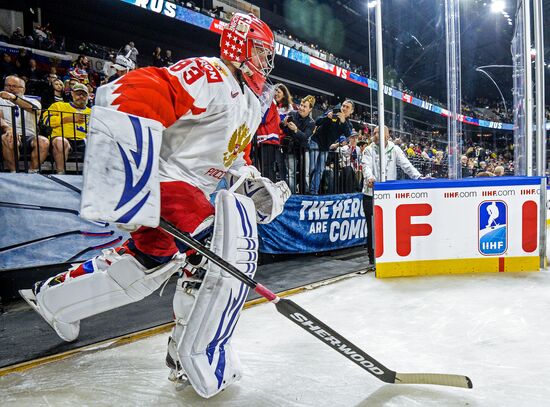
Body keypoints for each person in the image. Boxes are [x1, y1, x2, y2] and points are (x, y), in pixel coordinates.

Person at [20, 13, 288, 399]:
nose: (266, 62)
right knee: (218, 248)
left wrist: (251, 180)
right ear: (239, 45)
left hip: (193, 191)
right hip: (167, 182)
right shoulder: (210, 74)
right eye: (261, 52)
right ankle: (191, 355)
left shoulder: (249, 100)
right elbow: (137, 90)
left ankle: (53, 300)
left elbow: (234, 154)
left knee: (149, 262)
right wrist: (123, 177)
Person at [361, 125, 421, 263]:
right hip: (370, 195)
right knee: (373, 227)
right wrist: (369, 178)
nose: (375, 135)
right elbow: (366, 167)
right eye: (374, 133)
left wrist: (418, 177)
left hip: (388, 196)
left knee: (389, 226)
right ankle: (372, 258)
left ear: (387, 136)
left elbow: (406, 165)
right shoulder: (368, 150)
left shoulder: (395, 149)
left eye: (378, 133)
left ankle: (388, 255)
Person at [0, 75, 48, 172]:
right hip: (9, 133)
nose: (10, 88)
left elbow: (34, 110)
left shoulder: (33, 101)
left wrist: (13, 98)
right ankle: (14, 173)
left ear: (23, 89)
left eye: (14, 86)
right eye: (8, 85)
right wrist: (8, 128)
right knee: (9, 138)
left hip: (29, 136)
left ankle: (32, 172)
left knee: (43, 142)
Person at [43, 83, 91, 173]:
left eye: (84, 94)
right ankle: (61, 173)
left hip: (84, 140)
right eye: (78, 94)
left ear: (88, 96)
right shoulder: (58, 106)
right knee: (61, 142)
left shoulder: (92, 112)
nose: (81, 96)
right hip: (62, 137)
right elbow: (46, 120)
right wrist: (68, 119)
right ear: (72, 94)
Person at [309, 100, 354, 194]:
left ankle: (313, 192)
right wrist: (326, 117)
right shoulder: (333, 111)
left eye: (347, 107)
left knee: (320, 170)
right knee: (311, 167)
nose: (344, 108)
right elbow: (317, 121)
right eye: (344, 106)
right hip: (316, 141)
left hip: (326, 146)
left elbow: (348, 134)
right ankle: (304, 189)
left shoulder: (348, 123)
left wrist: (343, 121)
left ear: (351, 111)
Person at [280, 95, 315, 193]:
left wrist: (295, 130)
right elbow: (284, 129)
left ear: (310, 109)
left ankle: (305, 194)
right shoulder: (292, 113)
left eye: (305, 106)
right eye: (301, 105)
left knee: (306, 173)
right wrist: (283, 123)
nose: (301, 108)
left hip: (303, 149)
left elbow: (305, 136)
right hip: (291, 148)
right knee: (290, 173)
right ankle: (292, 194)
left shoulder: (311, 122)